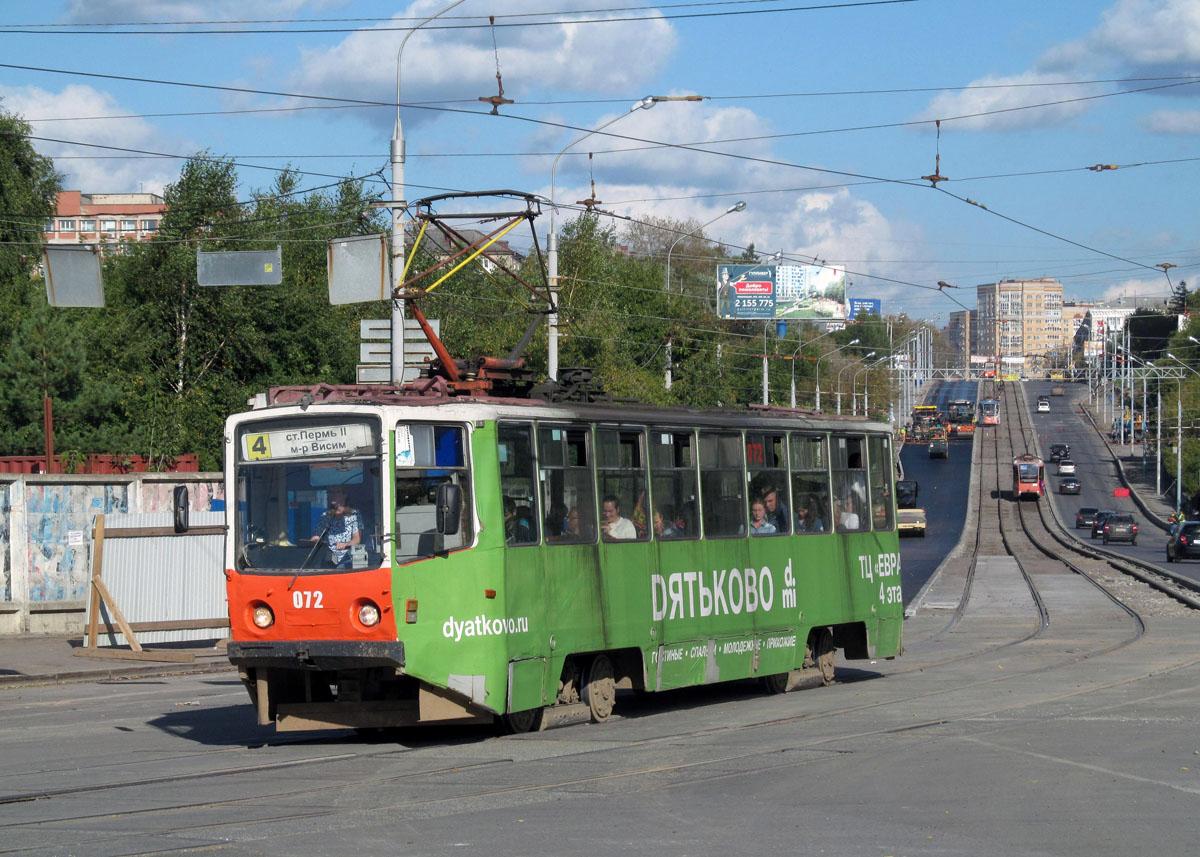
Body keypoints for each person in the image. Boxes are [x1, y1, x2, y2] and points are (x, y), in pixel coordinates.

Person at [306, 488, 362, 568]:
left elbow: (357, 539)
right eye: (330, 492)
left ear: (344, 495)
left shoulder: (354, 514)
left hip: (346, 558)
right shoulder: (325, 516)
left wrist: (346, 544)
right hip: (327, 558)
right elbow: (316, 536)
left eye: (336, 491)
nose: (332, 495)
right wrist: (312, 542)